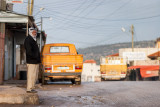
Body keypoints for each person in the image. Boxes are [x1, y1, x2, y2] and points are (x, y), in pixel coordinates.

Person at [24, 27, 41, 93]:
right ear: (30, 32)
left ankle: (32, 88)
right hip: (31, 61)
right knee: (31, 75)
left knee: (35, 76)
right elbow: (29, 51)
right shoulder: (28, 39)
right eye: (33, 32)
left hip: (35, 61)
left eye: (35, 32)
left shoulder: (33, 39)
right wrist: (35, 57)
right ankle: (29, 89)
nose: (35, 33)